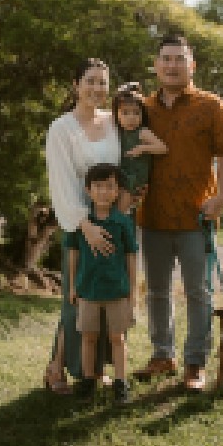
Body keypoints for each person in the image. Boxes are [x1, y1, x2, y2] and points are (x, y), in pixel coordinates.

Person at [134, 34, 223, 391]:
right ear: (156, 65)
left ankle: (195, 364)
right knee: (157, 292)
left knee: (198, 292)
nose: (172, 65)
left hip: (198, 217)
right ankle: (163, 355)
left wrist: (222, 197)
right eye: (166, 58)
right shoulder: (143, 108)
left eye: (179, 59)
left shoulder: (211, 105)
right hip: (152, 216)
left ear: (191, 65)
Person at [44, 58, 120, 394]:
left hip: (113, 221)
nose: (97, 88)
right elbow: (61, 183)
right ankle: (56, 368)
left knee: (106, 297)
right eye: (90, 80)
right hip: (80, 223)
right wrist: (85, 225)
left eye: (102, 82)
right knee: (76, 297)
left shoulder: (114, 122)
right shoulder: (61, 129)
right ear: (75, 85)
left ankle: (94, 369)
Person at [67, 163, 137, 404]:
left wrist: (133, 291)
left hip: (117, 291)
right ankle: (88, 381)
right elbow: (73, 253)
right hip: (88, 290)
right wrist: (72, 286)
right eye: (98, 186)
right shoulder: (81, 222)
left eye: (109, 186)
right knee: (88, 337)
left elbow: (131, 255)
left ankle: (121, 382)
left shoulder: (123, 222)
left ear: (117, 191)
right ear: (88, 190)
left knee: (117, 338)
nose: (104, 192)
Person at [112, 82, 168, 212]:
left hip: (135, 178)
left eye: (136, 113)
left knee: (120, 210)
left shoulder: (142, 132)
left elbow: (163, 148)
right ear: (116, 115)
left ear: (142, 114)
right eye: (125, 113)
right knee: (112, 205)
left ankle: (116, 222)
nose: (131, 118)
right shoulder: (118, 131)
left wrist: (142, 148)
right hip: (121, 174)